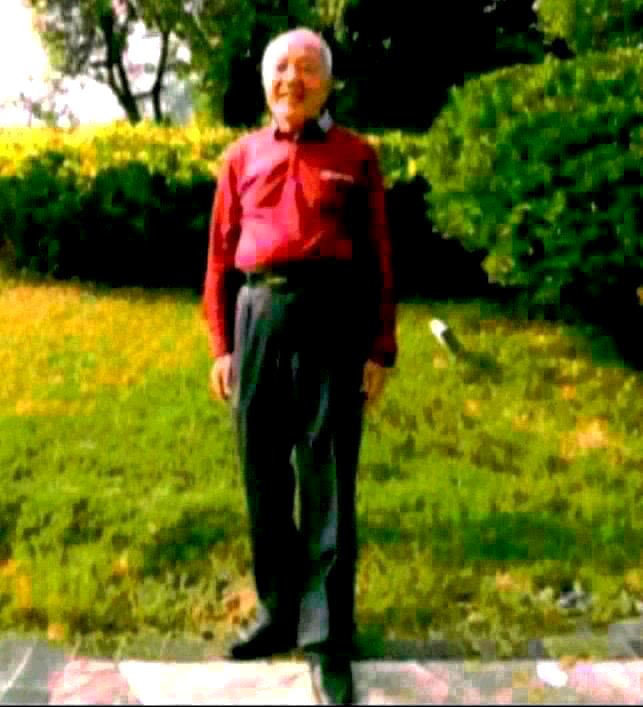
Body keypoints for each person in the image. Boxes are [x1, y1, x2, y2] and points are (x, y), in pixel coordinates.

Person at [202, 27, 397, 705]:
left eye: (308, 68)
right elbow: (219, 259)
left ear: (328, 82)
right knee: (261, 472)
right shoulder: (241, 157)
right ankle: (277, 610)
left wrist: (379, 348)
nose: (293, 78)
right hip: (258, 314)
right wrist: (222, 344)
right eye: (281, 68)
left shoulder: (356, 156)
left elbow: (378, 257)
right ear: (266, 83)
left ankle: (325, 636)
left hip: (332, 319)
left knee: (327, 477)